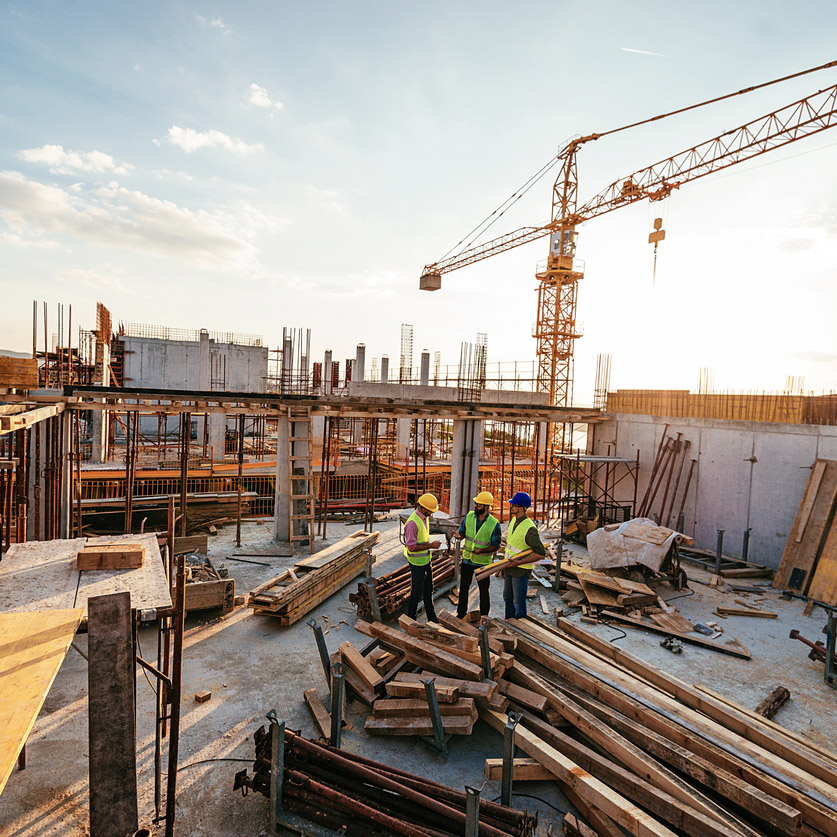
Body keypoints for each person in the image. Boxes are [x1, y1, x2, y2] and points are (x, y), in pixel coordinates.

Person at [451, 491, 501, 618]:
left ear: (486, 506)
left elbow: (496, 545)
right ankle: (461, 614)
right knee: (463, 589)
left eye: (478, 504)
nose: (475, 506)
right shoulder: (469, 517)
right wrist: (459, 536)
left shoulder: (494, 524)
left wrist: (482, 550)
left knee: (484, 591)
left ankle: (484, 616)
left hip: (482, 562)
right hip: (468, 559)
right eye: (475, 503)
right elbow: (462, 532)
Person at [502, 491, 546, 619]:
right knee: (507, 598)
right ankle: (509, 624)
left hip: (520, 571)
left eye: (514, 505)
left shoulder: (529, 528)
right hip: (510, 566)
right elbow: (511, 547)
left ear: (522, 508)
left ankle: (520, 629)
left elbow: (540, 553)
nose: (511, 507)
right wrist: (505, 567)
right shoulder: (514, 521)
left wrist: (519, 562)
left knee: (518, 603)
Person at [404, 493, 442, 622]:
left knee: (428, 590)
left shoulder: (423, 517)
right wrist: (431, 545)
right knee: (416, 592)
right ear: (424, 508)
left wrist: (431, 545)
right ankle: (411, 619)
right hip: (417, 563)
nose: (431, 513)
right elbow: (412, 547)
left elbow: (422, 539)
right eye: (430, 511)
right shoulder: (412, 523)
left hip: (425, 560)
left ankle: (432, 618)